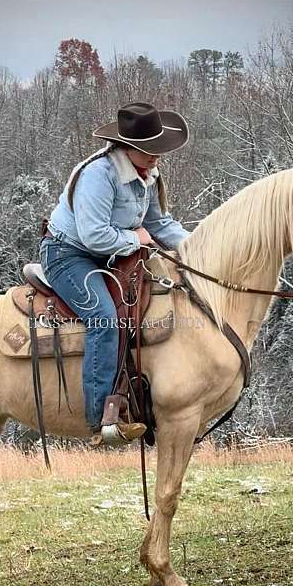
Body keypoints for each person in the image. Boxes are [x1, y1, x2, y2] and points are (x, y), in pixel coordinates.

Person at [40, 102, 190, 446]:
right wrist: (134, 238)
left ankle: (142, 398)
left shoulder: (147, 174)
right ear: (128, 147)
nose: (157, 157)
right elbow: (93, 234)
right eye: (149, 150)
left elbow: (158, 224)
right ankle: (103, 418)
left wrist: (198, 247)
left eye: (158, 149)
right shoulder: (99, 174)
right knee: (105, 317)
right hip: (68, 254)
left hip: (110, 255)